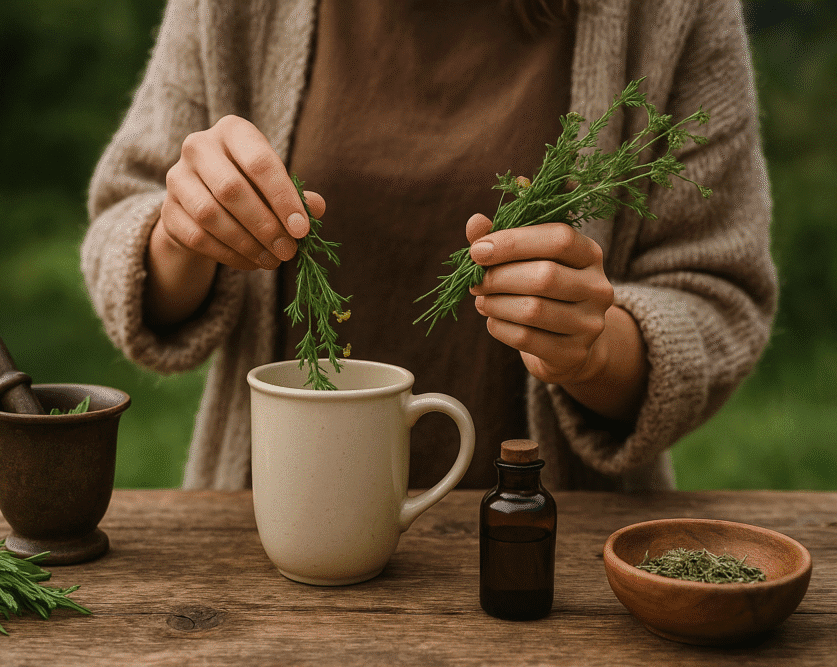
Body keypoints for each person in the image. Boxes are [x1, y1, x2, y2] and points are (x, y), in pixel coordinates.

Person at [82, 0, 777, 491]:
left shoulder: (670, 11)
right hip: (271, 546)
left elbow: (720, 293)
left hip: (557, 568)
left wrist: (596, 347)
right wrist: (186, 232)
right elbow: (124, 217)